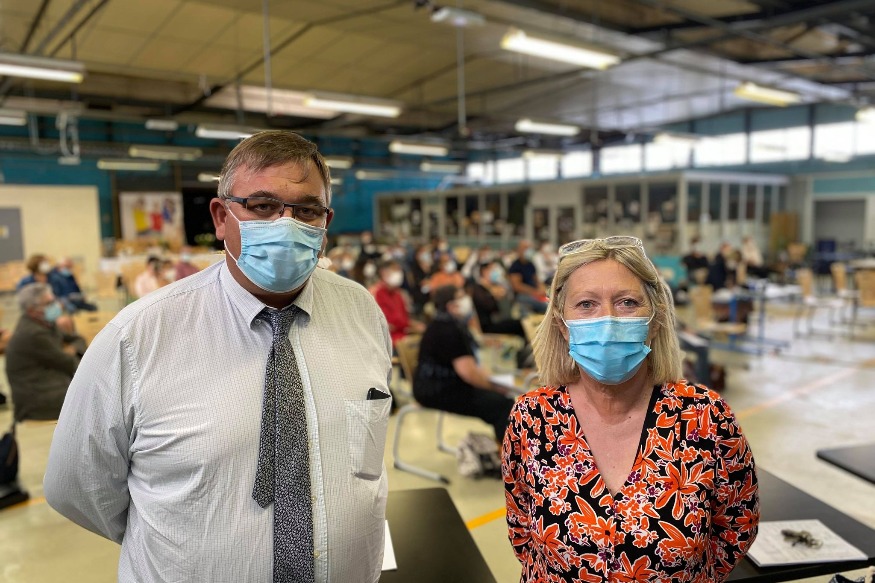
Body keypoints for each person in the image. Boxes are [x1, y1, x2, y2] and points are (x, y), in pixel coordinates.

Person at [44, 130, 393, 583]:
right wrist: (181, 541)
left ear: (326, 224)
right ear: (221, 217)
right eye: (262, 206)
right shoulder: (136, 338)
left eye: (307, 211)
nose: (287, 225)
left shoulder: (361, 312)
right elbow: (76, 488)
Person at [502, 236, 759, 582]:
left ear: (655, 320)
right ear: (563, 326)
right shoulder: (531, 418)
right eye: (586, 304)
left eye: (627, 302)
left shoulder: (707, 418)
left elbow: (735, 530)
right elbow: (521, 530)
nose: (607, 321)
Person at [413, 284, 515, 441]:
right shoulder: (448, 330)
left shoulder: (448, 323)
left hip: (441, 383)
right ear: (451, 306)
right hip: (434, 390)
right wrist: (494, 386)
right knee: (502, 405)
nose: (467, 300)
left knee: (501, 401)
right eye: (461, 297)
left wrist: (491, 380)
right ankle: (510, 452)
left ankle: (508, 446)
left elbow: (472, 365)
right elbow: (468, 373)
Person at [4, 283, 84, 422]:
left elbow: (78, 339)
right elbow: (68, 364)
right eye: (49, 303)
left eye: (53, 300)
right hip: (37, 398)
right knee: (91, 396)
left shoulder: (45, 323)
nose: (56, 305)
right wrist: (74, 354)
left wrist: (73, 349)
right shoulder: (33, 333)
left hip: (49, 384)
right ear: (32, 310)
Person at [372, 259, 424, 346]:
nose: (399, 273)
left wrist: (414, 325)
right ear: (384, 273)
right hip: (388, 340)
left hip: (402, 335)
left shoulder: (398, 293)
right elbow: (387, 324)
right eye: (395, 270)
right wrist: (409, 326)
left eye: (399, 270)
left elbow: (404, 318)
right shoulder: (376, 293)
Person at [508, 240, 548, 314]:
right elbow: (517, 286)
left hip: (533, 293)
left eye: (528, 248)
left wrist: (542, 289)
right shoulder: (515, 266)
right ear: (519, 250)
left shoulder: (530, 265)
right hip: (522, 295)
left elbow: (536, 280)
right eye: (525, 248)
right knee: (544, 306)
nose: (527, 250)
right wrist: (534, 292)